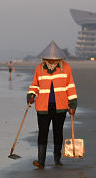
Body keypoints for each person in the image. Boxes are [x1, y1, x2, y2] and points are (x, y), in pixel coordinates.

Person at [26, 41, 77, 169]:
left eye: (54, 59)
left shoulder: (66, 68)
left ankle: (57, 159)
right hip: (43, 106)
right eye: (49, 59)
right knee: (42, 133)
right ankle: (41, 161)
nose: (52, 61)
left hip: (60, 107)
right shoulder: (40, 68)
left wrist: (73, 105)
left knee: (58, 132)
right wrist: (30, 96)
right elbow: (34, 85)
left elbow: (70, 87)